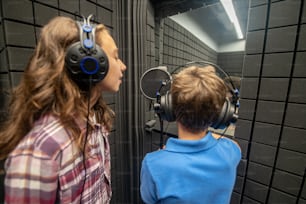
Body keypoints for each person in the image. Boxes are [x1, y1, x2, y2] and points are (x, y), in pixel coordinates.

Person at [0, 15, 126, 203]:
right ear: (88, 64)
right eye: (115, 56)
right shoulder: (41, 151)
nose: (123, 66)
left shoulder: (95, 120)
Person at [140, 66, 241, 204]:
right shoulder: (231, 152)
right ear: (221, 115)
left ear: (169, 108)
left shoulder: (152, 163)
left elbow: (149, 200)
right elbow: (235, 145)